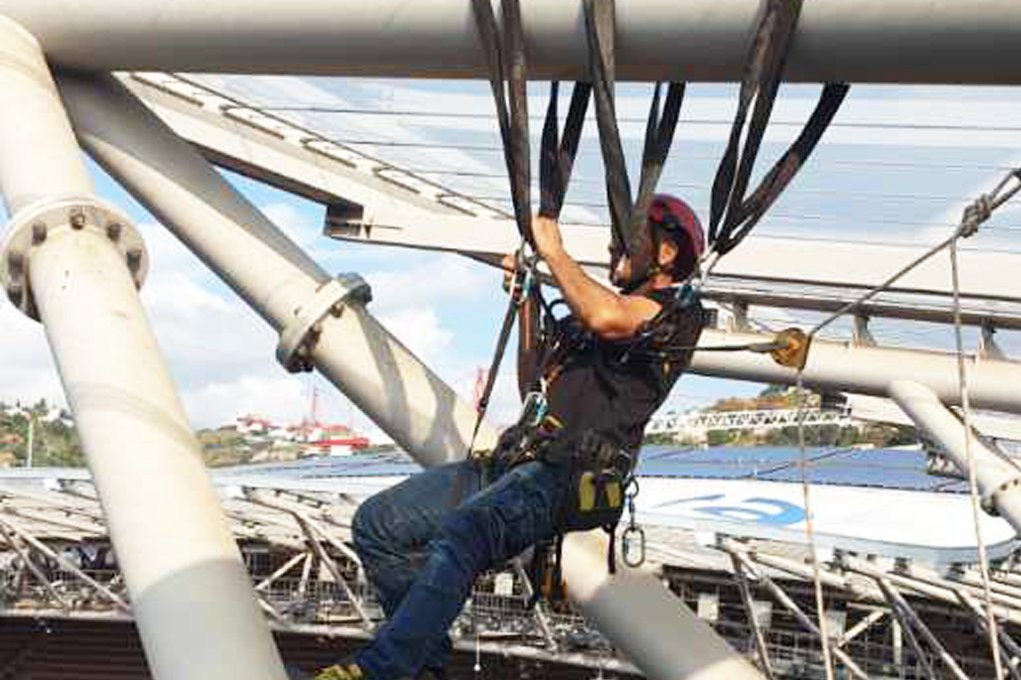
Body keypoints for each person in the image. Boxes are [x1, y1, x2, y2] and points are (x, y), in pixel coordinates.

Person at [310, 194, 707, 680]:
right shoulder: (592, 327)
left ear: (665, 254)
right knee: (379, 525)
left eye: (628, 239)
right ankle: (424, 661)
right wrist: (525, 300)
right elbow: (533, 386)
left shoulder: (677, 317)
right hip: (519, 462)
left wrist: (554, 251)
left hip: (568, 475)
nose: (612, 247)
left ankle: (383, 670)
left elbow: (608, 316)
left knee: (465, 532)